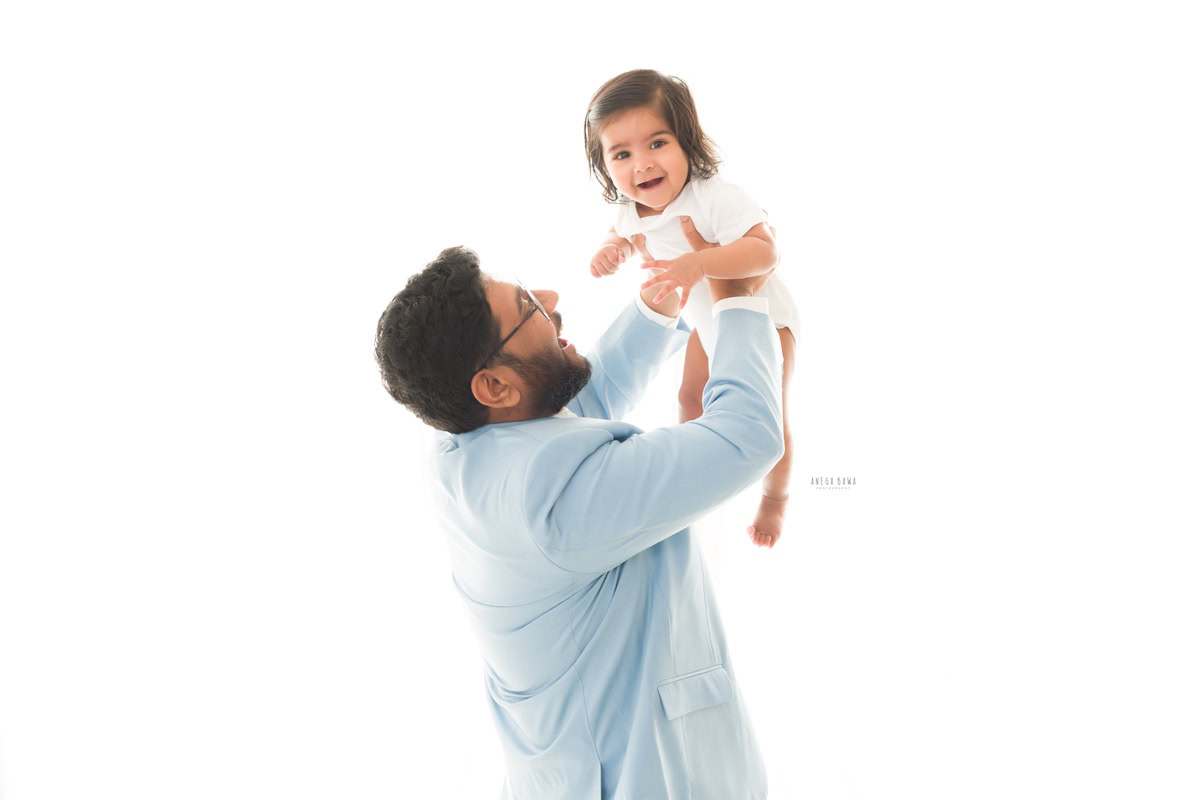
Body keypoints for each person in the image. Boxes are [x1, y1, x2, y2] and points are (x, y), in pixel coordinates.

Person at [374, 224, 783, 799]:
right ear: (492, 385)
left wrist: (667, 290)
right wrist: (739, 294)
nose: (552, 301)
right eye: (528, 307)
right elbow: (745, 437)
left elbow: (570, 410)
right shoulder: (552, 502)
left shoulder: (462, 452)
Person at [584, 68, 799, 548]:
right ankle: (696, 475)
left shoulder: (713, 196)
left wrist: (700, 263)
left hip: (764, 316)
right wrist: (611, 250)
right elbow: (618, 232)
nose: (641, 165)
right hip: (707, 319)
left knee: (768, 416)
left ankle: (776, 498)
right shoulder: (628, 207)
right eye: (622, 153)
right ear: (605, 164)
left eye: (657, 143)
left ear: (687, 143)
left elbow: (765, 252)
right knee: (689, 399)